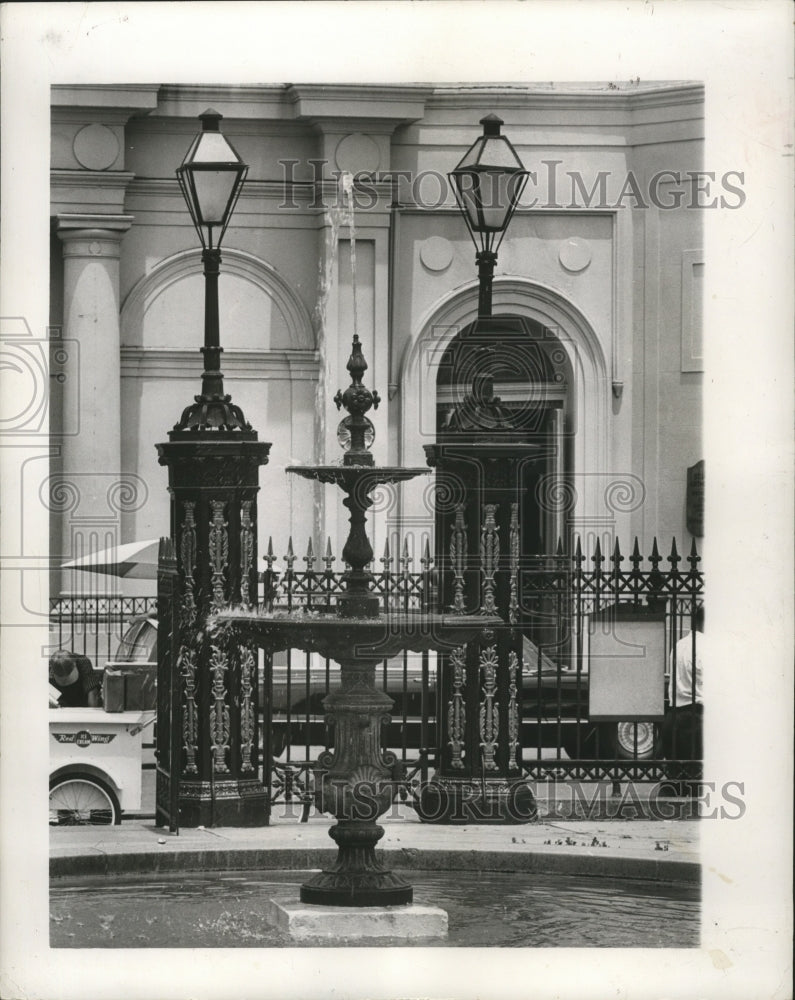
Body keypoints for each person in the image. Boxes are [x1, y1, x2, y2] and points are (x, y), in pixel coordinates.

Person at [662, 606, 704, 762]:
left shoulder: (679, 645)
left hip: (674, 717)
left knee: (676, 777)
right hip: (697, 720)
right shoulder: (708, 647)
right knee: (697, 778)